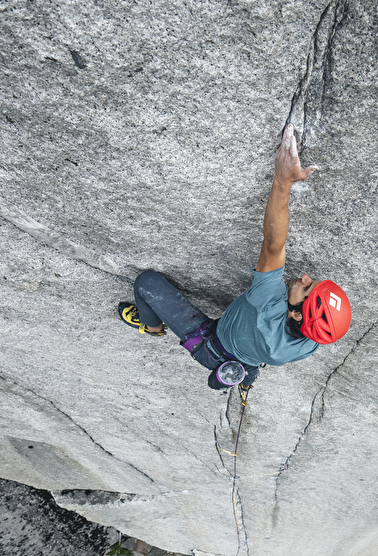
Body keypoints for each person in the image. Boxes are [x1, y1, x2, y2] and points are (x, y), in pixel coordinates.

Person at [117, 123, 352, 390]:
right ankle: (245, 381)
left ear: (298, 316)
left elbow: (274, 243)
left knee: (146, 283)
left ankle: (152, 328)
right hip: (248, 360)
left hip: (211, 347)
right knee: (248, 368)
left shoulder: (267, 305)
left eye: (307, 288)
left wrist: (283, 180)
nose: (305, 277)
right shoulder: (311, 341)